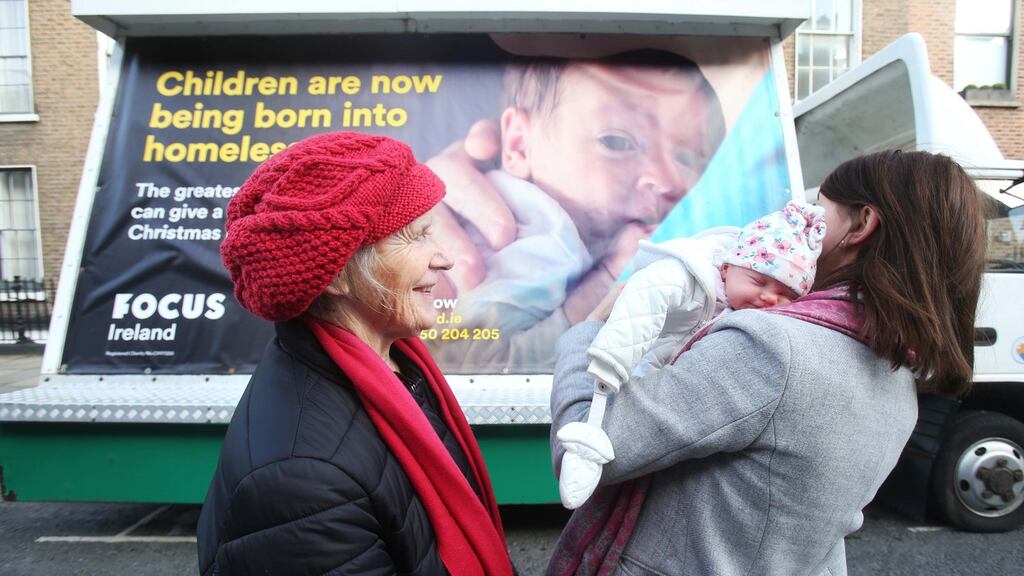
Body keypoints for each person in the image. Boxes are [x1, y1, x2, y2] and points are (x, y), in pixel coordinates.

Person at [547, 150, 987, 575]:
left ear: (862, 224)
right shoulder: (898, 378)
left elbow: (591, 444)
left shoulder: (771, 347)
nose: (803, 222)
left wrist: (593, 326)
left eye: (820, 210)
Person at [196, 132, 514, 576]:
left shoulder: (393, 367)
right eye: (416, 237)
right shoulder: (303, 482)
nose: (444, 259)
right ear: (336, 276)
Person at [428, 50, 726, 372]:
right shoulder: (546, 243)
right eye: (616, 142)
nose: (669, 180)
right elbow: (473, 363)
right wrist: (604, 282)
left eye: (689, 159)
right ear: (519, 145)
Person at [557, 200, 827, 509]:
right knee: (606, 429)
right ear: (727, 267)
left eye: (785, 294)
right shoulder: (691, 278)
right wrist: (610, 364)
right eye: (759, 281)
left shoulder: (755, 326)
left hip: (671, 397)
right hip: (629, 369)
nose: (769, 297)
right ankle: (586, 450)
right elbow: (646, 298)